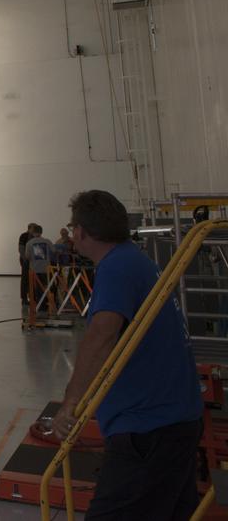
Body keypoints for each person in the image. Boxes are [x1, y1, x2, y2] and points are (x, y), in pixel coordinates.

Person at [50, 190, 203, 520]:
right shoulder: (134, 260)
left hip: (149, 430)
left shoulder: (116, 267)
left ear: (80, 232)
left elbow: (102, 334)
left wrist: (70, 403)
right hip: (174, 420)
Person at [20, 223, 43, 305]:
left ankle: (34, 297)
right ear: (29, 229)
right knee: (25, 279)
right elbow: (21, 249)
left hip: (34, 261)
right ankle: (24, 298)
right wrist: (25, 259)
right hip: (26, 261)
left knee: (34, 279)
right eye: (34, 229)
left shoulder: (34, 237)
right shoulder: (24, 236)